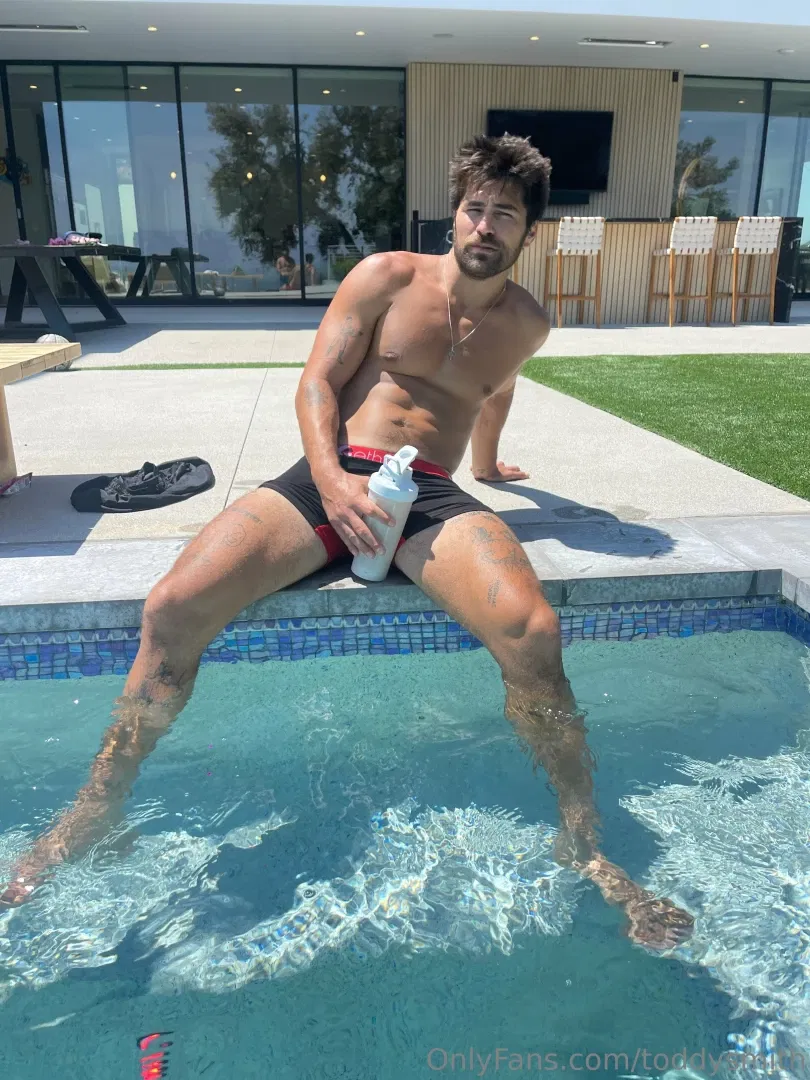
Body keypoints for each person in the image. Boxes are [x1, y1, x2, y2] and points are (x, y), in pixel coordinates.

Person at [0, 135, 693, 950]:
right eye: (475, 208)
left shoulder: (529, 324)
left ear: (527, 232)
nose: (485, 225)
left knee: (533, 631)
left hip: (426, 491)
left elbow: (494, 391)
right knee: (173, 605)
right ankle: (98, 809)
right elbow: (317, 383)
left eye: (505, 214)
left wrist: (487, 465)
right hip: (332, 474)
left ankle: (583, 841)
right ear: (455, 214)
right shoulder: (387, 276)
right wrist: (331, 482)